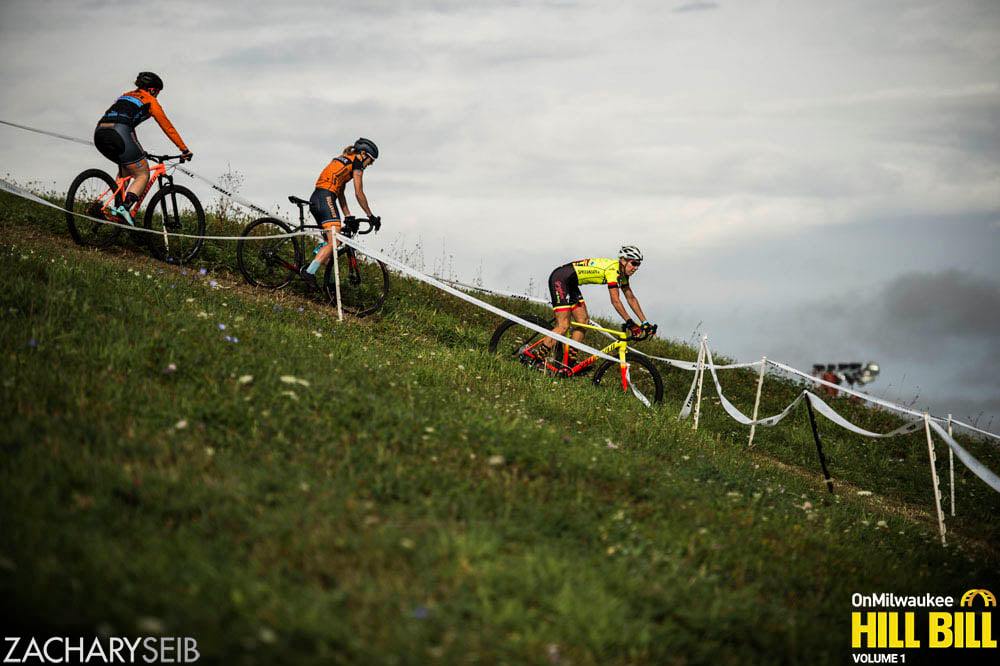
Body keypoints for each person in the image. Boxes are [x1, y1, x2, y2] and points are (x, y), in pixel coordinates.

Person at [528, 246, 655, 366]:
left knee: (583, 321)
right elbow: (616, 301)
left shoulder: (622, 275)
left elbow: (630, 298)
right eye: (634, 263)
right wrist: (630, 322)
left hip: (571, 284)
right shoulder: (613, 270)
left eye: (638, 264)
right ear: (623, 261)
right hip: (561, 278)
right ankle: (534, 361)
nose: (636, 268)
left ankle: (568, 364)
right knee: (563, 325)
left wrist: (644, 322)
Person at [94, 72, 192, 226]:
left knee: (126, 170)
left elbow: (124, 119)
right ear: (152, 90)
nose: (157, 96)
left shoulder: (125, 95)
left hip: (100, 131)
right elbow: (168, 127)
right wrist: (184, 149)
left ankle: (113, 207)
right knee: (142, 173)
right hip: (120, 132)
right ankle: (124, 208)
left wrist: (137, 149)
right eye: (158, 92)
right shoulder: (151, 101)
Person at [300, 138, 381, 287]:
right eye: (370, 161)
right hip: (325, 197)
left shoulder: (345, 160)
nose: (369, 165)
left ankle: (327, 283)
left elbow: (341, 193)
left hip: (319, 197)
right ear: (363, 154)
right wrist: (371, 216)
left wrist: (348, 215)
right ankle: (309, 272)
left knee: (330, 244)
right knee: (335, 240)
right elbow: (359, 193)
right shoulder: (356, 163)